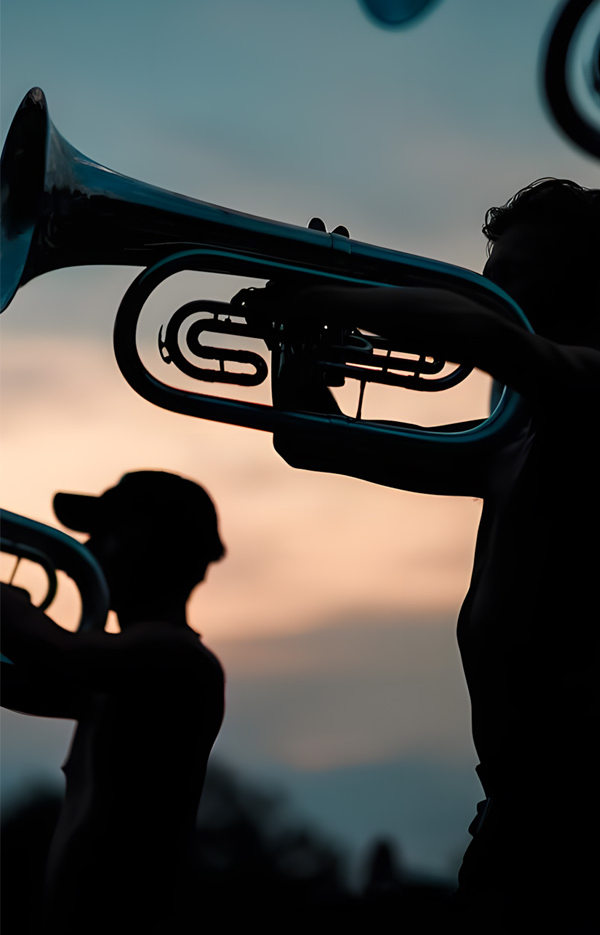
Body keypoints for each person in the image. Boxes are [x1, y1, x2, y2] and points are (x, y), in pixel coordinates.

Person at [249, 179, 600, 931]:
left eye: (515, 277)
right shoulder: (508, 436)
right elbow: (314, 441)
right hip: (515, 817)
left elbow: (490, 336)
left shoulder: (591, 389)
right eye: (488, 277)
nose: (485, 293)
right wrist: (297, 347)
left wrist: (325, 295)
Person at [1, 469, 226, 934]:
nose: (88, 548)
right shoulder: (121, 673)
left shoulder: (177, 659)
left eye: (105, 534)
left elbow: (50, 652)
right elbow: (21, 677)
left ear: (146, 544)